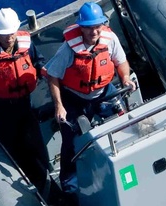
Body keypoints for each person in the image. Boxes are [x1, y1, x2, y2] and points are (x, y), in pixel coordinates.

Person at [44, 1, 135, 192]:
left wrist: (125, 78)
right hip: (75, 98)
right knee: (70, 141)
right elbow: (52, 75)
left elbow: (121, 62)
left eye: (97, 27)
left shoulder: (110, 40)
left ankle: (126, 160)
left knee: (123, 123)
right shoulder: (68, 50)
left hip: (104, 92)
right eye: (89, 28)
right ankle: (69, 182)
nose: (94, 32)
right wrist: (59, 106)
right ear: (81, 28)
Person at [0, 8, 51, 190]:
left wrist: (45, 71)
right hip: (1, 108)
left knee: (35, 143)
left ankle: (44, 178)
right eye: (4, 34)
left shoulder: (27, 45)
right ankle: (22, 179)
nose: (9, 38)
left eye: (12, 33)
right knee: (11, 145)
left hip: (24, 103)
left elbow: (38, 61)